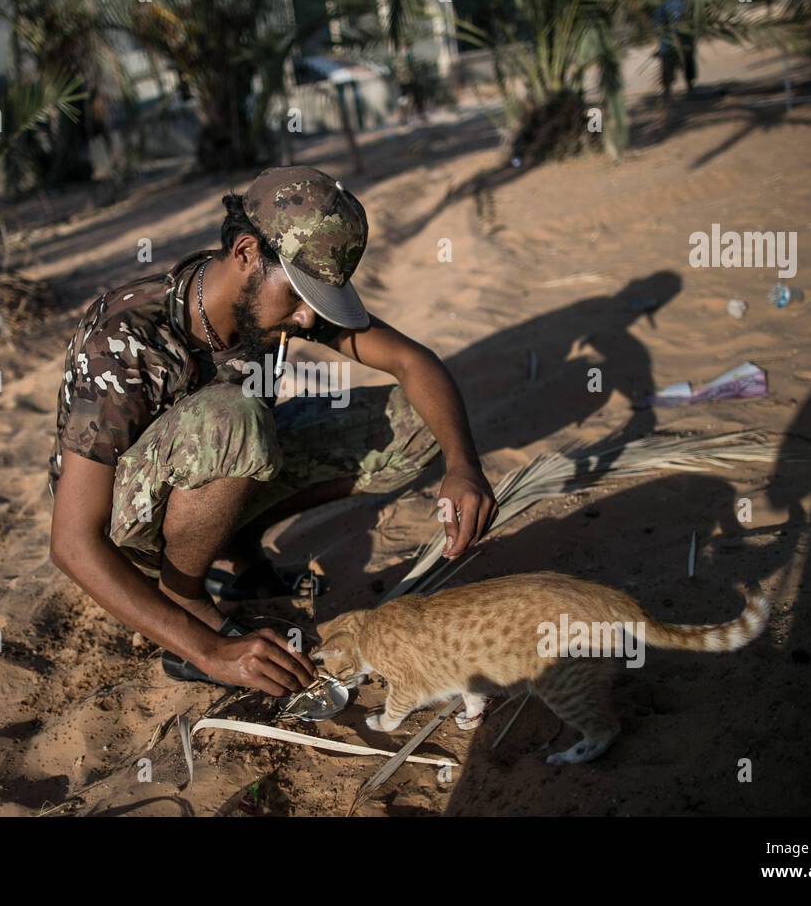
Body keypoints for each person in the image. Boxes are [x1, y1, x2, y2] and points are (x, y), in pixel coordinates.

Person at [48, 166, 497, 696]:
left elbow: (413, 362)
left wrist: (464, 466)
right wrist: (212, 651)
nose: (308, 319)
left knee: (418, 424)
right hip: (126, 525)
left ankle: (237, 546)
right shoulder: (124, 338)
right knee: (234, 417)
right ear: (244, 253)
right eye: (301, 295)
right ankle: (184, 598)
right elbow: (72, 542)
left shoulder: (273, 300)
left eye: (320, 299)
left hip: (215, 471)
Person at [654, 0, 697, 103]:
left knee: (667, 67)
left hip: (668, 43)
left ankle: (667, 92)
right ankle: (690, 87)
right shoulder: (686, 5)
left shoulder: (662, 6)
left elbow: (657, 26)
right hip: (685, 41)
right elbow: (692, 23)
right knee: (688, 63)